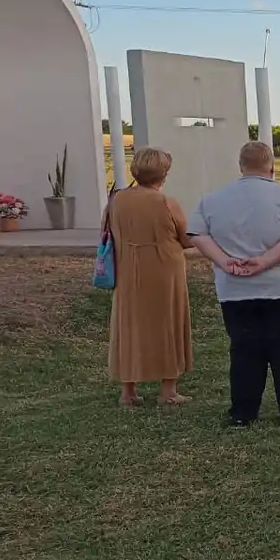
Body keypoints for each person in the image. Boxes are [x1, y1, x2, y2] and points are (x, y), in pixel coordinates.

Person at [188, 142, 280, 428]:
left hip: (236, 289)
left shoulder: (212, 201)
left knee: (244, 351)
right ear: (272, 166)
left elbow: (196, 233)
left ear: (241, 166)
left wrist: (224, 261)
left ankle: (242, 412)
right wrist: (264, 261)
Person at [107, 147, 194, 408]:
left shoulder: (117, 200)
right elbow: (187, 239)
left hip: (127, 267)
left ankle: (128, 391)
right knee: (167, 323)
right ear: (163, 173)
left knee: (129, 324)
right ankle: (168, 390)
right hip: (164, 269)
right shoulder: (167, 203)